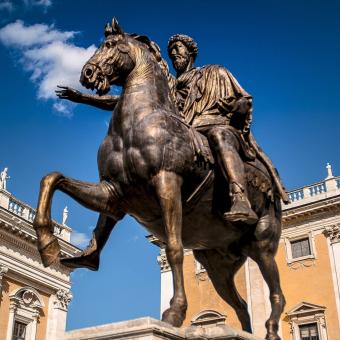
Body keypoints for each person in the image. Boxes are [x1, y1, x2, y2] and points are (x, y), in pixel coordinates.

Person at [57, 34, 288, 270]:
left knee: (221, 136)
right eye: (172, 51)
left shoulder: (214, 72)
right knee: (121, 178)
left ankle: (239, 197)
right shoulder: (169, 87)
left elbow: (244, 100)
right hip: (182, 132)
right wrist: (83, 98)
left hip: (213, 125)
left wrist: (236, 108)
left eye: (179, 49)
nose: (175, 54)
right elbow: (121, 100)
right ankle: (95, 248)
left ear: (190, 52)